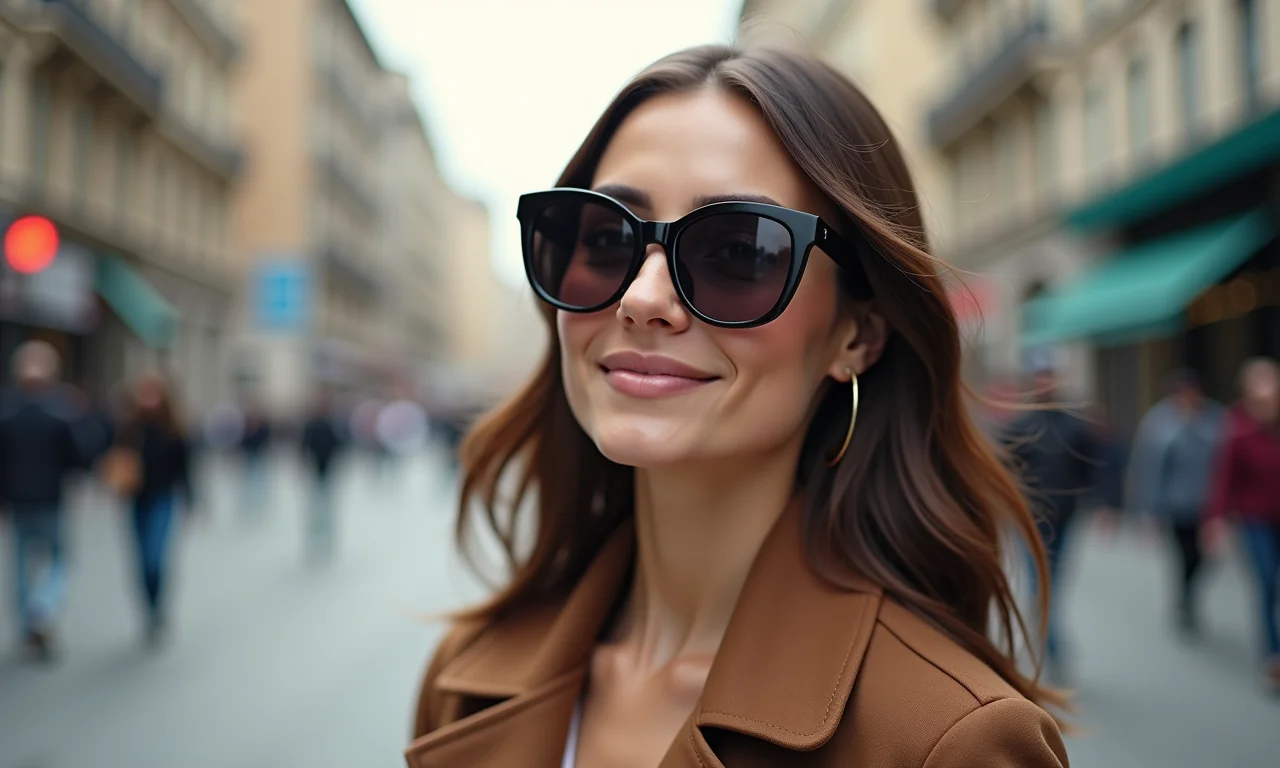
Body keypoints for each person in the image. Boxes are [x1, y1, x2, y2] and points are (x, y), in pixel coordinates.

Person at [405, 45, 1067, 768]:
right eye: (604, 240)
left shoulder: (948, 742)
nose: (641, 299)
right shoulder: (462, 677)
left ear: (857, 334)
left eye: (738, 253)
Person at [0, 341, 86, 660]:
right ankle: (42, 607)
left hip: (17, 500)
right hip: (50, 499)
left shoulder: (6, 411)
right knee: (60, 559)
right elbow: (79, 456)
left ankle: (28, 623)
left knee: (21, 563)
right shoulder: (60, 411)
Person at [1128, 370, 1225, 635]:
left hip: (1208, 503)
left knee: (1206, 558)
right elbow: (1148, 468)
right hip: (1175, 504)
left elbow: (1226, 462)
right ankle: (1185, 601)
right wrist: (1148, 512)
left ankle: (1187, 594)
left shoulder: (1216, 418)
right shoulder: (1160, 421)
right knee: (1185, 554)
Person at [1206, 357, 1280, 691]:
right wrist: (1215, 519)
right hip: (1255, 519)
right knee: (1266, 581)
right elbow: (1225, 479)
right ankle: (1273, 655)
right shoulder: (1238, 429)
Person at [116, 373, 194, 646]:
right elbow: (115, 457)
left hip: (163, 499)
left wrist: (192, 502)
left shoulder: (173, 430)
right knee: (140, 560)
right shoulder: (130, 428)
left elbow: (186, 470)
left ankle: (158, 607)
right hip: (136, 500)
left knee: (154, 558)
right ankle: (149, 611)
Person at [300, 391, 345, 562]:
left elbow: (339, 448)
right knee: (316, 507)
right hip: (316, 471)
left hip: (328, 471)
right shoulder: (313, 425)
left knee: (325, 507)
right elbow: (304, 447)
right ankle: (315, 539)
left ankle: (326, 538)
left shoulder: (332, 425)